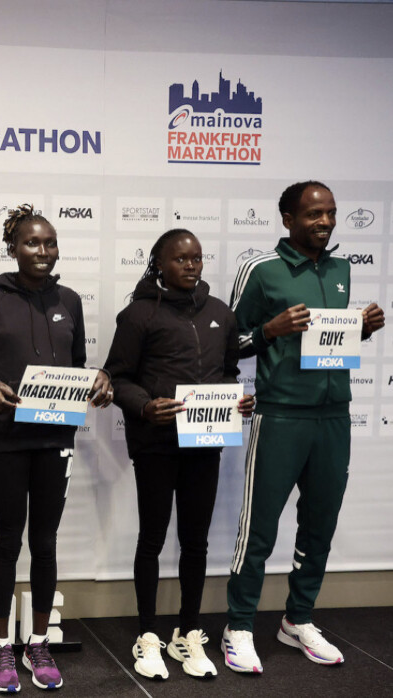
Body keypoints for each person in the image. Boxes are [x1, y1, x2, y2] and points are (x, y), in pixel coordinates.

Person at [223, 181, 384, 673]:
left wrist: (360, 328)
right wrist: (269, 330)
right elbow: (228, 342)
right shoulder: (261, 269)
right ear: (288, 218)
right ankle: (239, 626)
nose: (325, 222)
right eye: (314, 214)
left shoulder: (341, 269)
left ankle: (298, 619)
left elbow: (329, 340)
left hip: (334, 415)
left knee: (320, 526)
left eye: (331, 213)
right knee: (259, 529)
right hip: (281, 415)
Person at [0, 204, 113, 692]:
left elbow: (77, 365)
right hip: (6, 440)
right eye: (32, 242)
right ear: (13, 247)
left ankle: (39, 641)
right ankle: (0, 646)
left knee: (45, 543)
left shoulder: (69, 300)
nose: (43, 251)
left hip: (55, 438)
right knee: (8, 540)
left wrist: (98, 381)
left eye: (50, 242)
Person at [103, 229, 254, 680]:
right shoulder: (138, 314)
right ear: (159, 264)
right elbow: (117, 378)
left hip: (205, 443)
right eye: (181, 259)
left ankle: (188, 632)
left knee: (196, 541)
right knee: (151, 538)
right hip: (155, 444)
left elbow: (228, 373)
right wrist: (145, 406)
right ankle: (148, 634)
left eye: (197, 258)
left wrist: (236, 401)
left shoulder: (221, 313)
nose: (191, 265)